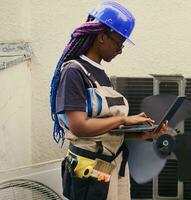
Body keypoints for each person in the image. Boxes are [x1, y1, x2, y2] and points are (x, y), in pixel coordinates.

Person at [49, 1, 167, 199]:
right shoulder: (73, 71)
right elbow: (78, 126)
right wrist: (123, 119)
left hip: (110, 163)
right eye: (119, 42)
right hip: (90, 167)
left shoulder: (100, 74)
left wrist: (140, 135)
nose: (120, 50)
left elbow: (103, 132)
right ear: (102, 37)